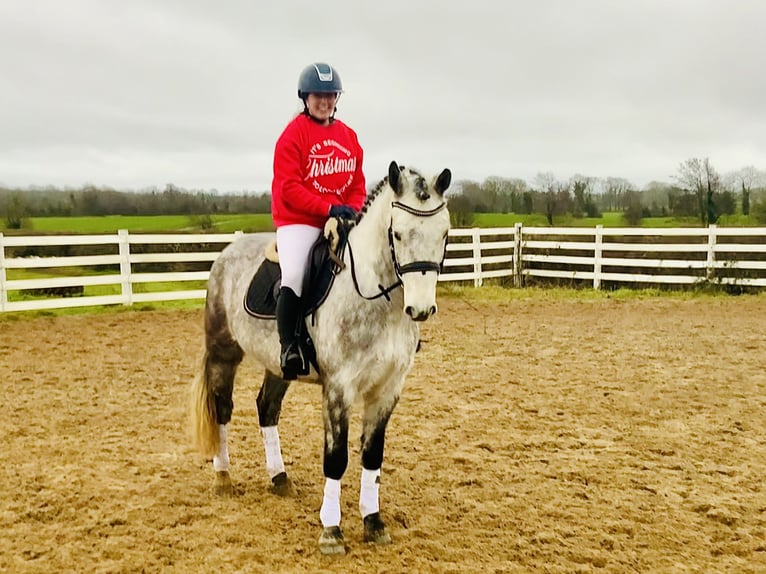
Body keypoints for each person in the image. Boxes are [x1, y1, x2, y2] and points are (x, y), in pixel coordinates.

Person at [270, 62, 367, 380]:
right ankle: (289, 346)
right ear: (305, 98)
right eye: (318, 95)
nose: (324, 101)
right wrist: (328, 208)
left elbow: (357, 185)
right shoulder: (292, 135)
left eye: (330, 95)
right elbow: (289, 188)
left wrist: (350, 209)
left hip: (340, 217)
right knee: (296, 273)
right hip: (299, 219)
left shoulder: (349, 136)